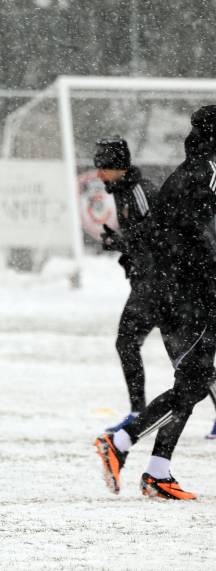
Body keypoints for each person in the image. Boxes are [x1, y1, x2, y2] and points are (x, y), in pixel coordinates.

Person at [95, 105, 216, 500]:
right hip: (186, 295)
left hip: (174, 291)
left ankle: (157, 471)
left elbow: (162, 231)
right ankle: (123, 441)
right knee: (193, 382)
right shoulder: (204, 174)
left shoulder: (191, 172)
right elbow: (190, 236)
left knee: (192, 381)